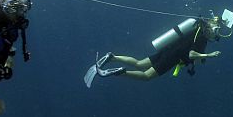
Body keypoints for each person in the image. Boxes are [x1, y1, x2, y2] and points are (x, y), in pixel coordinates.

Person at [86, 15, 225, 85]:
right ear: (212, 26)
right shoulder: (201, 37)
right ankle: (119, 72)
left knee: (140, 64)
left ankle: (112, 57)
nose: (216, 34)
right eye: (217, 31)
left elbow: (193, 52)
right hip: (172, 57)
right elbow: (192, 54)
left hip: (167, 50)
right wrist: (209, 55)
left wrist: (202, 56)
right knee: (146, 76)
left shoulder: (197, 28)